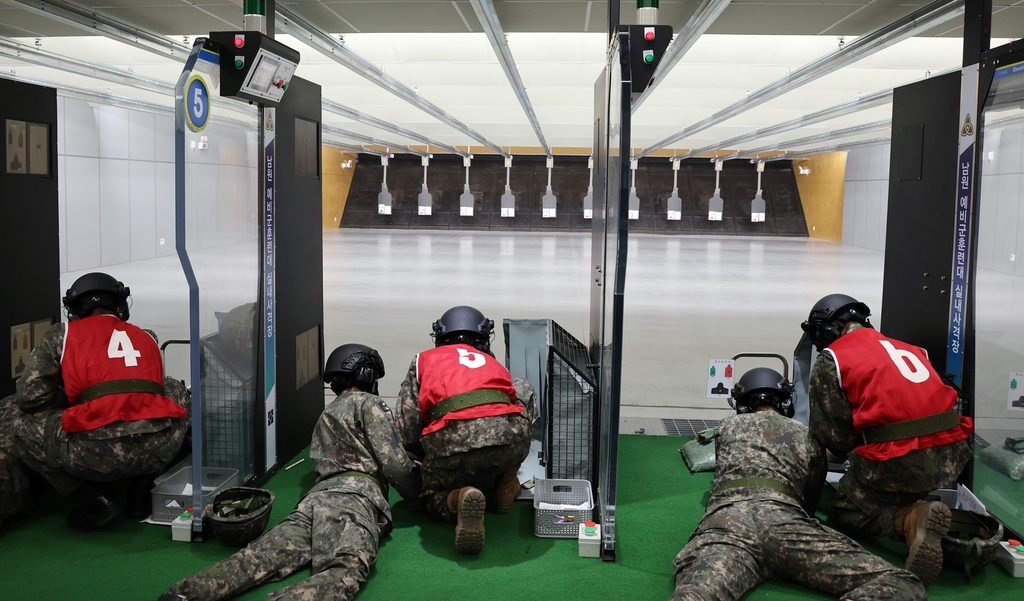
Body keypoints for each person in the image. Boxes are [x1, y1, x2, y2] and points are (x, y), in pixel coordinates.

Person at [160, 343, 420, 601]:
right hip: (353, 500)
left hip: (313, 503)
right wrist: (419, 497)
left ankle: (184, 595)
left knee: (258, 557)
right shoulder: (371, 404)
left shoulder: (327, 413)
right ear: (367, 376)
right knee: (345, 570)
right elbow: (395, 463)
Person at [671, 368, 926, 601]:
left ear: (741, 404)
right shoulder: (806, 434)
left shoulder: (727, 427)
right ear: (785, 401)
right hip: (784, 524)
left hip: (727, 525)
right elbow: (809, 501)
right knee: (900, 583)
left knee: (695, 595)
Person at [802, 294, 974, 585]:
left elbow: (836, 440)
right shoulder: (911, 349)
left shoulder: (833, 358)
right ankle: (918, 506)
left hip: (899, 462)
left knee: (847, 510)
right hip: (953, 453)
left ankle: (908, 519)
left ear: (829, 329)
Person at [0, 272, 190, 531]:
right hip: (157, 450)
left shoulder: (62, 335)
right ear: (121, 305)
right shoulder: (147, 336)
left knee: (20, 425)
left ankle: (94, 500)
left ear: (74, 310)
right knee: (174, 390)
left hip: (93, 454)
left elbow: (30, 397)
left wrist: (74, 397)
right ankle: (140, 490)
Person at [394, 305, 537, 554]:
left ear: (440, 335)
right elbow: (517, 398)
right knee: (522, 386)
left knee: (428, 496)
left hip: (450, 450)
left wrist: (431, 458)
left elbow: (407, 427)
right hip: (509, 445)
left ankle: (458, 498)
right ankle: (506, 485)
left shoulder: (423, 360)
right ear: (483, 337)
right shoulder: (491, 364)